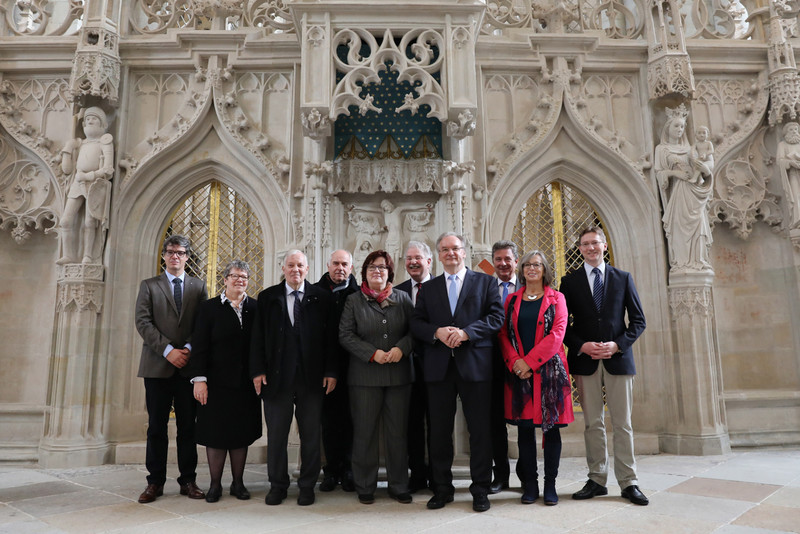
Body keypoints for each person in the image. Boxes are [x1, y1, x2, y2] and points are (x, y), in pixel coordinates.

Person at [410, 232, 504, 513]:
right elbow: (416, 322)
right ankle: (442, 488)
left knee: (479, 431)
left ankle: (480, 489)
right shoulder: (429, 288)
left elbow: (496, 317)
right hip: (438, 368)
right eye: (445, 249)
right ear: (438, 255)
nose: (451, 253)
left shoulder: (485, 281)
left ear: (465, 252)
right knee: (438, 432)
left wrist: (466, 333)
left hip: (475, 366)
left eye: (455, 248)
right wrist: (436, 332)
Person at [559, 226, 648, 506]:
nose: (590, 248)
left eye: (595, 243)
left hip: (618, 360)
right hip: (585, 362)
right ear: (580, 248)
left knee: (623, 423)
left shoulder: (623, 278)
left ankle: (629, 482)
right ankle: (597, 479)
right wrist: (581, 345)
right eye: (585, 244)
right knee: (593, 423)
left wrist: (617, 345)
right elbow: (563, 325)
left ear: (604, 245)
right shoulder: (569, 282)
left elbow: (638, 321)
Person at [250, 250, 337, 507]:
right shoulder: (267, 298)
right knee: (277, 435)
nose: (295, 269)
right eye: (290, 265)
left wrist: (331, 371)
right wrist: (257, 371)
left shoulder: (322, 298)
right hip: (276, 379)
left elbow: (331, 340)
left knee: (311, 435)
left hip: (312, 380)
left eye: (300, 265)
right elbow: (257, 338)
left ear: (308, 269)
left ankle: (307, 486)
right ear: (283, 268)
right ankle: (277, 485)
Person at [134, 235, 208, 503]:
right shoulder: (149, 286)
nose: (175, 256)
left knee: (188, 427)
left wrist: (187, 349)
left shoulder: (199, 287)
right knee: (156, 427)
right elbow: (143, 322)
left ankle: (188, 480)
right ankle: (154, 482)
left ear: (187, 257)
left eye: (180, 252)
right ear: (163, 256)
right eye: (170, 252)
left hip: (187, 368)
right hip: (157, 366)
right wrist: (168, 351)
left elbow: (203, 323)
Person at [339, 250, 415, 505]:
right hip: (364, 378)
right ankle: (365, 485)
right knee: (365, 432)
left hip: (398, 376)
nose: (377, 271)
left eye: (382, 267)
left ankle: (399, 484)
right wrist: (372, 354)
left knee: (397, 433)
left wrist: (400, 349)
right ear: (364, 272)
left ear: (389, 272)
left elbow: (415, 331)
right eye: (372, 267)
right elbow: (345, 335)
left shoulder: (403, 298)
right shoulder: (354, 300)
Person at [498, 250, 574, 505]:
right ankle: (529, 485)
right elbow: (503, 335)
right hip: (520, 376)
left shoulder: (557, 298)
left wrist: (529, 362)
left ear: (545, 269)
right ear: (522, 270)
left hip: (549, 375)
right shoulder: (511, 299)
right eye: (528, 264)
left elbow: (558, 333)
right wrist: (516, 363)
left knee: (551, 433)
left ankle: (550, 485)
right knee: (524, 432)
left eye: (537, 265)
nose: (532, 268)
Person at [189, 261, 261, 503]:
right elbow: (199, 346)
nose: (239, 280)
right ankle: (215, 485)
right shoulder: (208, 309)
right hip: (216, 384)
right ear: (225, 280)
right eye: (234, 276)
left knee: (240, 435)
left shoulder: (256, 308)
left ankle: (238, 484)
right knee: (216, 435)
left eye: (244, 277)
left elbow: (261, 347)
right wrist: (200, 380)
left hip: (245, 385)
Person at [315, 249, 359, 492]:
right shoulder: (315, 292)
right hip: (324, 371)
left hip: (354, 368)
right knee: (329, 423)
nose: (340, 268)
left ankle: (350, 470)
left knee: (353, 422)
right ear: (327, 265)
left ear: (351, 268)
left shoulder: (360, 293)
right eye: (336, 263)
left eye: (345, 264)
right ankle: (331, 471)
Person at [654, 104, 714, 271]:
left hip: (694, 192)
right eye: (676, 126)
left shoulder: (690, 149)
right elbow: (659, 173)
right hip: (678, 193)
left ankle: (698, 261)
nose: (679, 129)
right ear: (668, 128)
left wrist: (705, 169)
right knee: (679, 228)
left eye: (682, 126)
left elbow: (708, 168)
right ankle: (682, 263)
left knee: (699, 225)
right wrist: (674, 174)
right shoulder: (661, 149)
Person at [395, 241, 433, 493]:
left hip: (437, 367)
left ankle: (438, 475)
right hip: (406, 369)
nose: (413, 262)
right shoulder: (396, 291)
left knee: (438, 424)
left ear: (429, 261)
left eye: (418, 257)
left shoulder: (442, 287)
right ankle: (417, 474)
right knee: (411, 424)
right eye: (408, 258)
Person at [57, 106, 114, 264]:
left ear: (102, 124)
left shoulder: (105, 142)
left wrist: (89, 175)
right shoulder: (79, 143)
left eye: (94, 119)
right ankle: (68, 255)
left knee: (90, 222)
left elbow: (108, 169)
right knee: (65, 221)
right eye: (87, 119)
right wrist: (68, 149)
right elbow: (67, 170)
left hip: (94, 184)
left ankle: (87, 255)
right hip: (77, 183)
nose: (90, 121)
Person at [488, 239, 519, 494]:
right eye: (498, 259)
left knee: (527, 422)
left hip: (525, 363)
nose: (503, 263)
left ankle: (528, 476)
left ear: (516, 261)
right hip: (493, 363)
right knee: (495, 422)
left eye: (507, 259)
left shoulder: (532, 285)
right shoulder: (485, 286)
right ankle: (501, 476)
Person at [778, 121, 800, 228]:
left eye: (796, 129)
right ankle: (797, 220)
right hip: (792, 174)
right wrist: (790, 162)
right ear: (786, 132)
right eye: (791, 129)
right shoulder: (782, 145)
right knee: (795, 196)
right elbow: (780, 160)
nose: (794, 131)